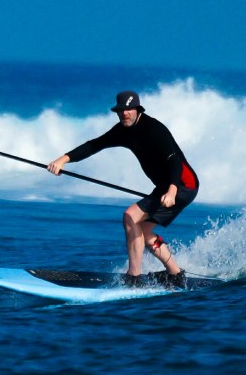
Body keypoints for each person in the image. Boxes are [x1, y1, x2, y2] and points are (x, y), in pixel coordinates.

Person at [47, 90, 199, 288]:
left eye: (129, 110)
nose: (124, 114)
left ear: (137, 109)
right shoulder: (122, 131)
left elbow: (174, 162)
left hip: (182, 184)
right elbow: (95, 145)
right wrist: (63, 160)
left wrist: (172, 191)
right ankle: (175, 274)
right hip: (165, 187)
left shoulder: (154, 129)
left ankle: (133, 277)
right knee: (143, 230)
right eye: (120, 111)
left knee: (130, 216)